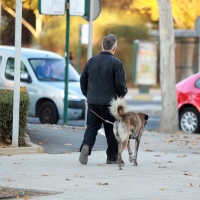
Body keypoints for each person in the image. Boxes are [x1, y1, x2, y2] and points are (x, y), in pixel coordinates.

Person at [79, 34, 128, 165]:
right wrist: (122, 93)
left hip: (93, 103)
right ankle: (112, 157)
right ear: (114, 48)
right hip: (110, 104)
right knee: (111, 129)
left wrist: (88, 95)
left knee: (92, 127)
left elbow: (83, 79)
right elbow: (120, 84)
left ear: (102, 46)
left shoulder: (91, 61)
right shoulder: (116, 63)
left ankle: (86, 145)